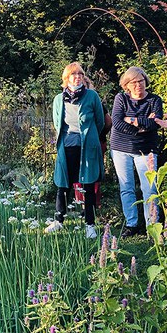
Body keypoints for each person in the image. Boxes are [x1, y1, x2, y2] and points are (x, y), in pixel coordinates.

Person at [44, 62, 105, 239]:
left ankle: (90, 225)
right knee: (63, 184)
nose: (77, 77)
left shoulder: (92, 96)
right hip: (66, 146)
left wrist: (91, 136)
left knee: (88, 184)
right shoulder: (58, 99)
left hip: (87, 146)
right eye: (73, 74)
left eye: (80, 74)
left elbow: (99, 121)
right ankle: (59, 220)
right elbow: (57, 123)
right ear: (66, 78)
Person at [109, 66, 163, 238]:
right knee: (127, 187)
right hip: (121, 148)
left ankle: (152, 226)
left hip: (146, 150)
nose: (138, 85)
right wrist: (141, 126)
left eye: (141, 81)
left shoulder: (154, 100)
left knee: (150, 188)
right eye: (133, 82)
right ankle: (132, 224)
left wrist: (131, 119)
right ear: (127, 85)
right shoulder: (121, 98)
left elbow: (156, 122)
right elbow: (117, 122)